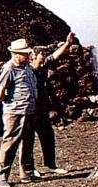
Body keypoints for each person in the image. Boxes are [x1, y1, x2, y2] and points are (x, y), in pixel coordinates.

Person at [21, 31, 79, 177]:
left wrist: (67, 43)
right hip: (29, 109)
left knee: (47, 135)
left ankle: (51, 164)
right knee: (28, 140)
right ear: (31, 58)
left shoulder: (43, 66)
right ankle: (30, 168)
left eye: (43, 61)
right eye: (40, 61)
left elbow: (55, 55)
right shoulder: (26, 71)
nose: (42, 64)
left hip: (42, 108)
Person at [0, 37, 38, 187]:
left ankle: (26, 173)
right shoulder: (9, 68)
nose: (27, 56)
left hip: (29, 110)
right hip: (15, 112)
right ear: (16, 54)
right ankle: (2, 176)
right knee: (11, 142)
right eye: (24, 54)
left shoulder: (26, 67)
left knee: (28, 142)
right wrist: (10, 101)